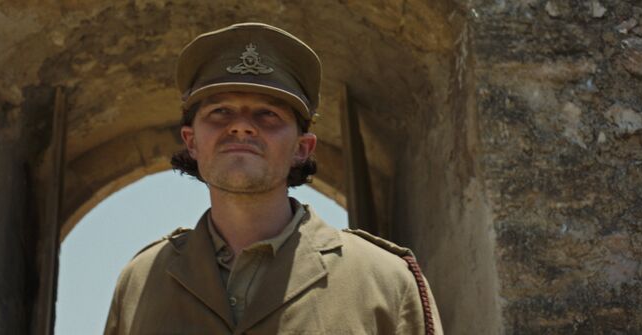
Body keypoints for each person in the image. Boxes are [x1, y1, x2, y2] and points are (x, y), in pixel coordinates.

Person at [103, 22, 443, 335]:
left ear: (302, 148)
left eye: (268, 114)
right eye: (220, 111)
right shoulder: (140, 283)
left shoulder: (383, 280)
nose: (241, 126)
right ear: (191, 142)